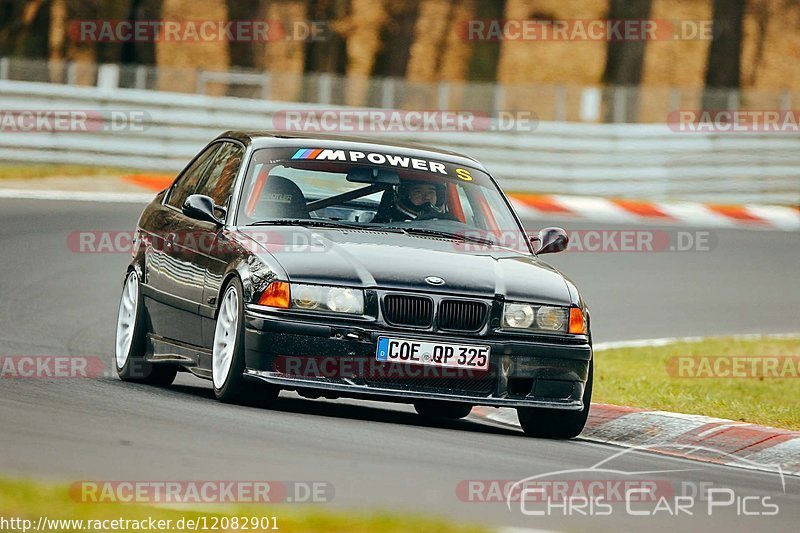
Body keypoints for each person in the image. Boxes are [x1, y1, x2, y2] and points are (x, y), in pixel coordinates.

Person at [373, 180, 456, 222]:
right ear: (405, 196)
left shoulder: (450, 223)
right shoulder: (384, 223)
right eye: (418, 192)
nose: (427, 197)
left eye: (431, 192)